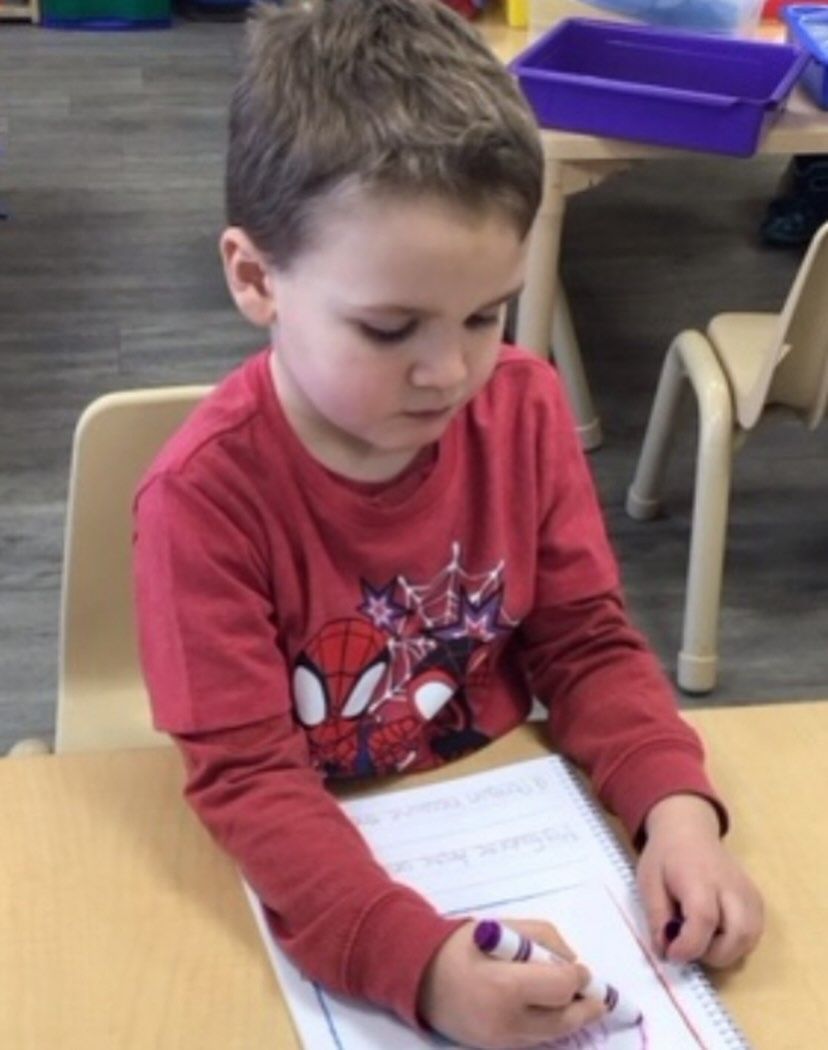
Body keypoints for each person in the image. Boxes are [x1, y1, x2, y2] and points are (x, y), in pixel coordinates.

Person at [132, 2, 764, 1046]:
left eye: (485, 313)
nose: (452, 371)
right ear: (254, 278)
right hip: (320, 848)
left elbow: (585, 643)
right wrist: (418, 968)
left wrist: (675, 810)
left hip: (506, 796)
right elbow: (247, 778)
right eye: (390, 329)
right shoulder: (201, 500)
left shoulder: (523, 408)